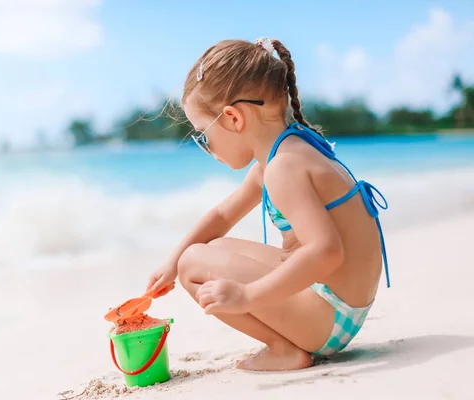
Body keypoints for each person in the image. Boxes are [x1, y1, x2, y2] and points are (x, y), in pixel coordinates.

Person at [146, 37, 390, 371]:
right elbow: (221, 215)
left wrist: (248, 296)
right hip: (341, 307)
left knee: (195, 264)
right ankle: (288, 343)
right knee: (204, 251)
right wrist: (170, 264)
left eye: (204, 134)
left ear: (233, 118)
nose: (208, 147)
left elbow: (326, 251)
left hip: (330, 318)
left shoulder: (283, 168)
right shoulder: (284, 153)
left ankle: (284, 349)